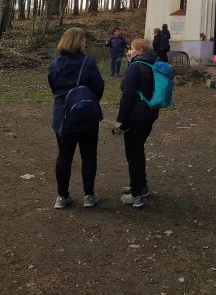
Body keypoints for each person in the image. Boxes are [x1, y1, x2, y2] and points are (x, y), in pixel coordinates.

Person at [48, 27, 104, 210]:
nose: (85, 43)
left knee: (64, 155)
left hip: (62, 116)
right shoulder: (87, 62)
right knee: (89, 155)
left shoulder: (55, 63)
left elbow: (53, 85)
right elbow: (98, 87)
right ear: (79, 42)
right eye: (84, 39)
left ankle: (62, 197)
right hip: (85, 115)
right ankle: (89, 195)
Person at [114, 38, 160, 207]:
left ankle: (136, 195)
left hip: (136, 116)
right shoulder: (152, 63)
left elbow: (127, 95)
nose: (128, 51)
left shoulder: (136, 66)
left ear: (140, 51)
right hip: (150, 113)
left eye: (132, 49)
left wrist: (120, 120)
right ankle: (141, 186)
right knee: (138, 151)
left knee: (134, 155)